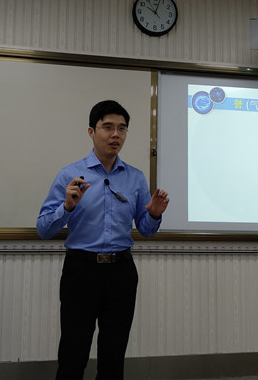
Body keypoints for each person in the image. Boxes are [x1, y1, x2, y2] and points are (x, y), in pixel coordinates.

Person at [37, 100, 169, 380]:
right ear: (91, 131)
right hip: (81, 271)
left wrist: (154, 215)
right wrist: (67, 207)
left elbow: (146, 230)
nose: (115, 135)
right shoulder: (70, 175)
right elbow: (43, 229)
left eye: (122, 128)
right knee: (73, 352)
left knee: (113, 354)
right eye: (107, 127)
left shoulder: (135, 178)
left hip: (121, 272)